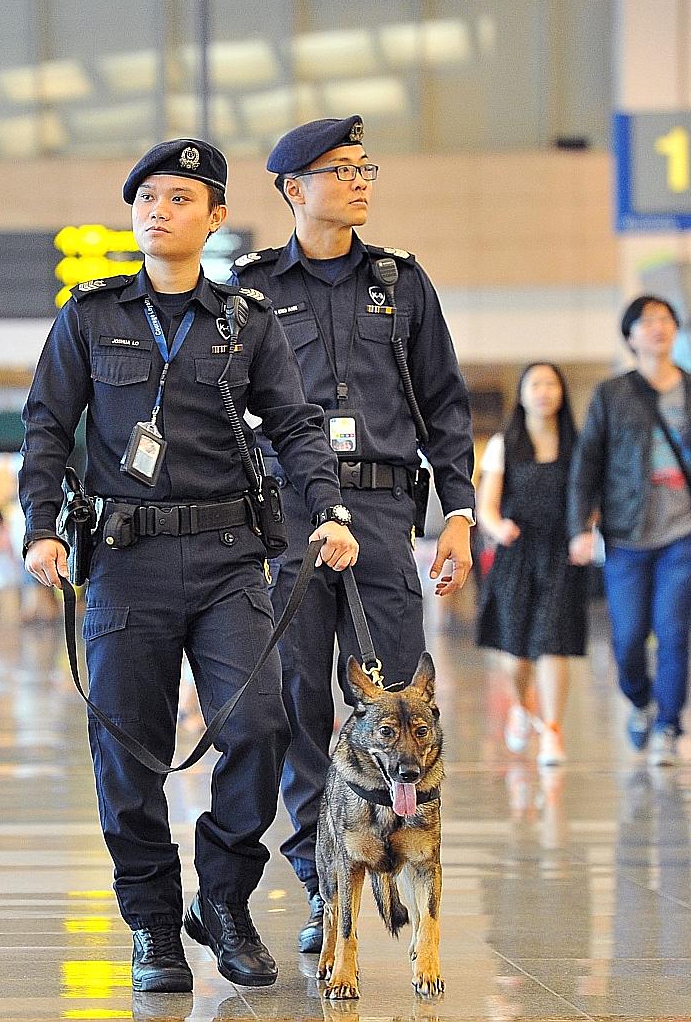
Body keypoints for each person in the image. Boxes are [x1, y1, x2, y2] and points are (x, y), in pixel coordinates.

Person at [18, 138, 359, 994]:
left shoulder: (246, 321)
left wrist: (328, 507)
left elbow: (297, 425)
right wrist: (41, 527)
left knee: (260, 725)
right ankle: (152, 925)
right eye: (146, 197)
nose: (157, 209)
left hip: (228, 559)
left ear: (213, 218)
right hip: (125, 561)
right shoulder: (89, 317)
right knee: (125, 747)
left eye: (179, 198)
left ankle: (227, 900)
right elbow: (48, 429)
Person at [230, 114, 476, 953]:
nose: (362, 180)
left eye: (365, 166)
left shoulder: (402, 284)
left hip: (379, 512)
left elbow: (444, 403)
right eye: (342, 170)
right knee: (301, 705)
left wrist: (459, 517)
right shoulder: (252, 289)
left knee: (396, 700)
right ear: (294, 189)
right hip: (291, 519)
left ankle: (404, 859)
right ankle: (319, 879)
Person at [568, 295, 691, 766]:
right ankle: (642, 702)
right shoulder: (612, 395)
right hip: (627, 533)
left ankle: (669, 725)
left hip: (685, 530)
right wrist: (579, 525)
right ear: (630, 336)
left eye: (665, 320)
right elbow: (587, 462)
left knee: (674, 630)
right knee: (627, 638)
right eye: (646, 321)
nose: (658, 327)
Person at [476, 362, 588, 768]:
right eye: (535, 384)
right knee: (516, 652)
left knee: (552, 640)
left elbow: (589, 497)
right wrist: (497, 525)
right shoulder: (504, 444)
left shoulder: (579, 444)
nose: (544, 391)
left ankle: (553, 732)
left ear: (562, 392)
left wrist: (588, 531)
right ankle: (522, 706)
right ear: (522, 394)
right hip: (516, 552)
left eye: (551, 384)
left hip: (561, 553)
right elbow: (486, 505)